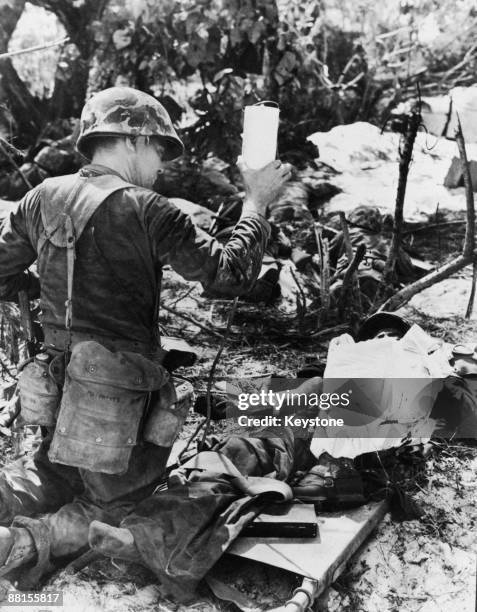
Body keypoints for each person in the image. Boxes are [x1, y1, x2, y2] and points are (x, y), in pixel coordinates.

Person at [0, 87, 293, 586]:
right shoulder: (150, 208)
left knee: (49, 474)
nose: (161, 165)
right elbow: (229, 275)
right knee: (117, 505)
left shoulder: (39, 198)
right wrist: (255, 202)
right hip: (114, 405)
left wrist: (48, 295)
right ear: (133, 138)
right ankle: (32, 541)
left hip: (50, 390)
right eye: (159, 149)